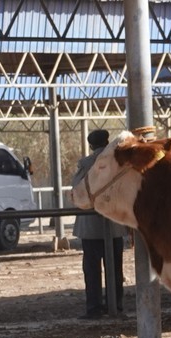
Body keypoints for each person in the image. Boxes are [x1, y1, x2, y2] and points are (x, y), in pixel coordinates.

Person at [71, 129, 125, 319]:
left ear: (91, 145)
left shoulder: (86, 165)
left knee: (92, 270)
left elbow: (76, 191)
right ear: (107, 142)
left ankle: (94, 308)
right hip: (115, 223)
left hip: (91, 227)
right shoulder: (118, 163)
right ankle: (116, 306)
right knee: (115, 269)